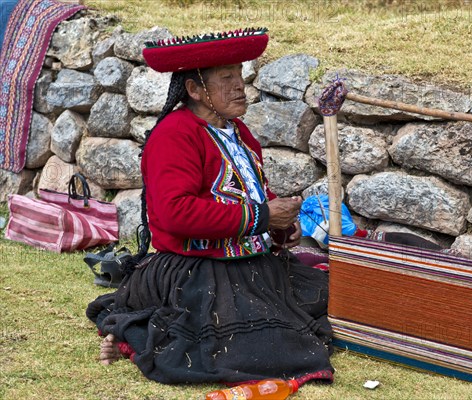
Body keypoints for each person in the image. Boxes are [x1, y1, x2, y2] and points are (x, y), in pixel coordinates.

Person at [86, 28, 334, 386]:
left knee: (327, 298)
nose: (240, 86)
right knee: (256, 347)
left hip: (252, 266)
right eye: (227, 78)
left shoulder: (240, 134)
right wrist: (263, 216)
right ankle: (132, 333)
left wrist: (281, 227)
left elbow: (253, 194)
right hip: (197, 270)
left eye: (240, 76)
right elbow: (176, 212)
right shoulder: (175, 135)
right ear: (195, 90)